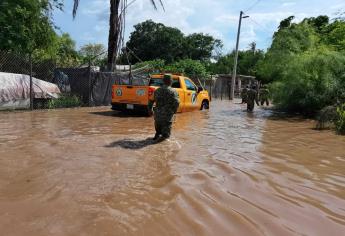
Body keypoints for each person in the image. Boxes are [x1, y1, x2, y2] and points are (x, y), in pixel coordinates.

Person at [148, 74, 180, 141]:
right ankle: (161, 149)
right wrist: (174, 111)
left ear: (163, 81)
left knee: (158, 132)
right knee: (165, 137)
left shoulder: (157, 91)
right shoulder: (173, 92)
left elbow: (150, 101)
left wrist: (150, 110)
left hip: (157, 116)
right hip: (167, 117)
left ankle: (155, 140)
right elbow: (177, 102)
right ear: (171, 81)